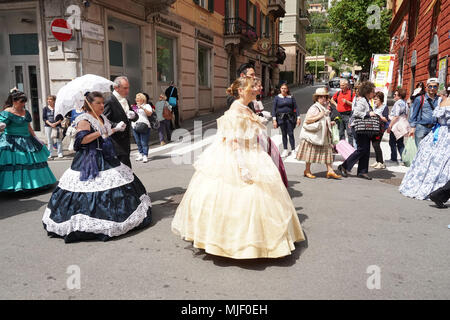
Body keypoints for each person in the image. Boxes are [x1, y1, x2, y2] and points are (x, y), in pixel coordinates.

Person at [171, 77, 305, 259]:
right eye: (252, 87)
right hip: (239, 157)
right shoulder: (235, 110)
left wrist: (259, 120)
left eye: (256, 86)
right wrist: (242, 167)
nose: (256, 89)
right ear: (241, 90)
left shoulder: (246, 107)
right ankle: (234, 243)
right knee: (238, 197)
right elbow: (234, 141)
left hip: (253, 153)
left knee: (260, 198)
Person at [42, 91, 152, 243]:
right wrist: (100, 132)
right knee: (90, 189)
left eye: (102, 103)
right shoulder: (84, 119)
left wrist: (115, 128)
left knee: (120, 183)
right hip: (90, 159)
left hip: (105, 155)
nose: (102, 106)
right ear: (89, 105)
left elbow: (106, 134)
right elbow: (83, 140)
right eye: (98, 103)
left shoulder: (101, 117)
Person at [0, 91, 56, 192]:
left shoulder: (25, 112)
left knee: (32, 163)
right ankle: (17, 186)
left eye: (24, 102)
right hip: (12, 141)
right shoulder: (7, 112)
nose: (23, 104)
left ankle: (35, 184)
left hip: (27, 139)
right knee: (16, 164)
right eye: (21, 102)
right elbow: (1, 125)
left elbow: (28, 126)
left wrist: (36, 138)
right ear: (14, 101)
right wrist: (2, 125)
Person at [399, 96, 449, 200]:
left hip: (437, 133)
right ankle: (439, 191)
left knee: (432, 159)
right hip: (446, 134)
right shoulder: (441, 100)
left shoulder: (442, 100)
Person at [296, 87, 342, 179]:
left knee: (327, 152)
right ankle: (307, 170)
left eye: (325, 97)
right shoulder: (314, 107)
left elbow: (323, 119)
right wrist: (320, 115)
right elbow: (308, 120)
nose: (323, 98)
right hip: (314, 135)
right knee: (310, 153)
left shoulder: (323, 107)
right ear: (317, 98)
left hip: (322, 134)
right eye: (321, 97)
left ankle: (330, 170)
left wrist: (329, 122)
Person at [337, 81, 377, 180]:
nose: (374, 93)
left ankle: (362, 171)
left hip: (365, 128)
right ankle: (344, 166)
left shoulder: (367, 100)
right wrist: (368, 114)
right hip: (359, 128)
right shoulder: (362, 100)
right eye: (372, 91)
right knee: (361, 149)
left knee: (366, 150)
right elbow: (356, 112)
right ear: (368, 92)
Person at [104, 76, 138, 168]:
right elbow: (103, 120)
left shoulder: (126, 100)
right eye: (125, 88)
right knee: (122, 170)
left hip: (126, 141)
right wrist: (116, 125)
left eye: (128, 88)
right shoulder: (109, 101)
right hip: (115, 142)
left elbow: (134, 117)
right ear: (116, 88)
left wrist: (134, 115)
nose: (128, 91)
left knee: (126, 169)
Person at [408, 78, 442, 147]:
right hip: (421, 128)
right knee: (420, 151)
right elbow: (414, 114)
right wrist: (412, 128)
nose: (432, 88)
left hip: (434, 129)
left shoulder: (440, 100)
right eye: (430, 86)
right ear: (426, 87)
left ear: (438, 87)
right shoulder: (420, 99)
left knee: (431, 152)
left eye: (435, 86)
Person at [272, 83, 301, 157]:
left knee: (291, 133)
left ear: (287, 89)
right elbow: (274, 109)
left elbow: (296, 108)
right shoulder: (277, 98)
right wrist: (274, 120)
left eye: (285, 88)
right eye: (282, 88)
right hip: (281, 118)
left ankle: (293, 150)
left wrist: (298, 117)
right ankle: (285, 150)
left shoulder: (291, 97)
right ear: (280, 89)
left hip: (290, 118)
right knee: (284, 134)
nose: (283, 90)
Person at [386, 88, 408, 164]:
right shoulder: (405, 103)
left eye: (395, 95)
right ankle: (404, 158)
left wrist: (390, 126)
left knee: (392, 142)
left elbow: (396, 116)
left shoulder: (398, 103)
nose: (394, 96)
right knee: (400, 143)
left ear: (399, 96)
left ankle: (393, 158)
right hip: (402, 124)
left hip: (396, 124)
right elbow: (406, 114)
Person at [330, 79, 356, 146]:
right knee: (340, 132)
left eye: (343, 85)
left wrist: (347, 102)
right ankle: (343, 147)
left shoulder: (352, 93)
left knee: (349, 132)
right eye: (340, 85)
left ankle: (350, 147)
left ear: (347, 85)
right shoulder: (338, 93)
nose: (341, 86)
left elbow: (355, 104)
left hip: (348, 115)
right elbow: (332, 100)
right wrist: (336, 105)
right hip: (339, 115)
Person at [369, 91, 389, 169]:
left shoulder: (384, 107)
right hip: (374, 128)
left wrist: (377, 116)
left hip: (380, 129)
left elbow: (386, 119)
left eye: (376, 99)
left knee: (376, 144)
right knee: (374, 144)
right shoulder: (375, 107)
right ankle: (378, 161)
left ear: (380, 99)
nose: (374, 101)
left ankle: (381, 162)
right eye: (374, 99)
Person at [131, 93, 153, 163]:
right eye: (136, 98)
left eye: (138, 98)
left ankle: (145, 155)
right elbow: (132, 115)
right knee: (138, 141)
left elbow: (149, 113)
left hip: (144, 126)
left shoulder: (147, 105)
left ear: (142, 99)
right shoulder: (134, 106)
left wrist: (142, 108)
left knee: (144, 142)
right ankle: (140, 154)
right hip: (134, 126)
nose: (136, 99)